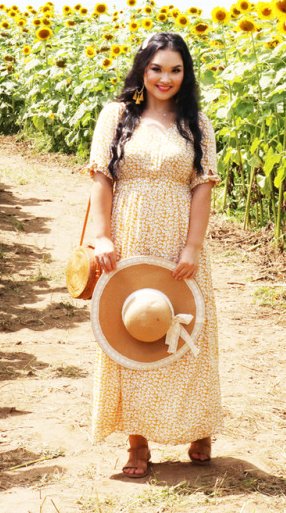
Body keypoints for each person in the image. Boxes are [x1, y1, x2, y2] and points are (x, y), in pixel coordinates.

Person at [87, 31, 222, 478]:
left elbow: (202, 188)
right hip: (127, 235)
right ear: (142, 70)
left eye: (175, 69)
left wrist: (193, 246)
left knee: (186, 331)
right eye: (157, 68)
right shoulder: (116, 115)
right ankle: (137, 442)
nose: (166, 78)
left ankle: (198, 425)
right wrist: (101, 237)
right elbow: (102, 178)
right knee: (130, 329)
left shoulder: (197, 123)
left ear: (186, 74)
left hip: (177, 235)